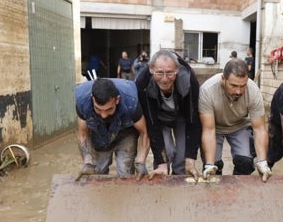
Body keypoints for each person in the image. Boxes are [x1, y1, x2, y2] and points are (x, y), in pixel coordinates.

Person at [199, 58, 271, 182]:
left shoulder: (253, 91)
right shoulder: (207, 90)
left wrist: (262, 161)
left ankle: (237, 191)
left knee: (246, 163)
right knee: (213, 168)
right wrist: (210, 164)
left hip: (240, 126)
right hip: (215, 127)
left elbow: (259, 128)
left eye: (242, 86)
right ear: (223, 79)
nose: (238, 91)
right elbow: (208, 129)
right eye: (233, 85)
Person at [135, 50, 201, 179]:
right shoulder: (142, 83)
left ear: (177, 69)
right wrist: (161, 162)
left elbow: (193, 120)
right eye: (159, 73)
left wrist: (190, 158)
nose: (165, 79)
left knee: (182, 156)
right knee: (167, 151)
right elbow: (151, 123)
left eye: (170, 73)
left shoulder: (188, 80)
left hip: (182, 115)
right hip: (158, 117)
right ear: (151, 69)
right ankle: (161, 180)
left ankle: (178, 184)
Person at [74, 78, 152, 180]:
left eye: (109, 109)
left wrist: (141, 162)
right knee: (97, 172)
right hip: (99, 133)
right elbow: (83, 134)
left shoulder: (131, 102)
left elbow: (144, 133)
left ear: (117, 99)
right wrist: (87, 161)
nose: (104, 115)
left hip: (126, 133)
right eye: (98, 109)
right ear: (93, 99)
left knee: (126, 173)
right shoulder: (82, 101)